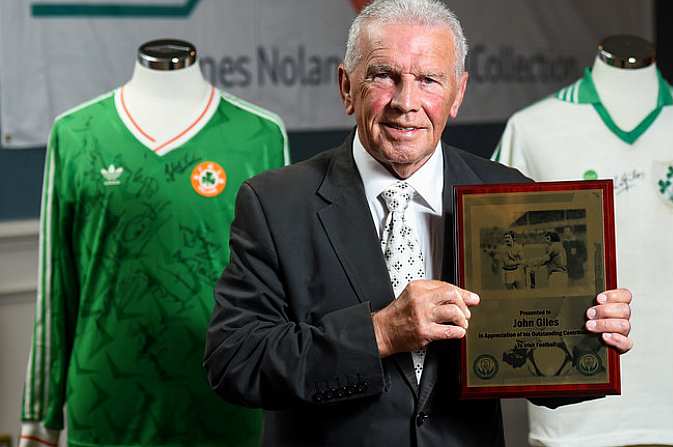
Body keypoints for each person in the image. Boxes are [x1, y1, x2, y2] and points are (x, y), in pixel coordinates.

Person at [203, 1, 632, 445]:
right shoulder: (276, 203)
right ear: (346, 87)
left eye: (428, 79)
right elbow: (236, 361)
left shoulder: (508, 197)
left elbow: (532, 370)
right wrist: (381, 333)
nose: (406, 103)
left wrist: (588, 337)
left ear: (458, 93)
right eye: (383, 76)